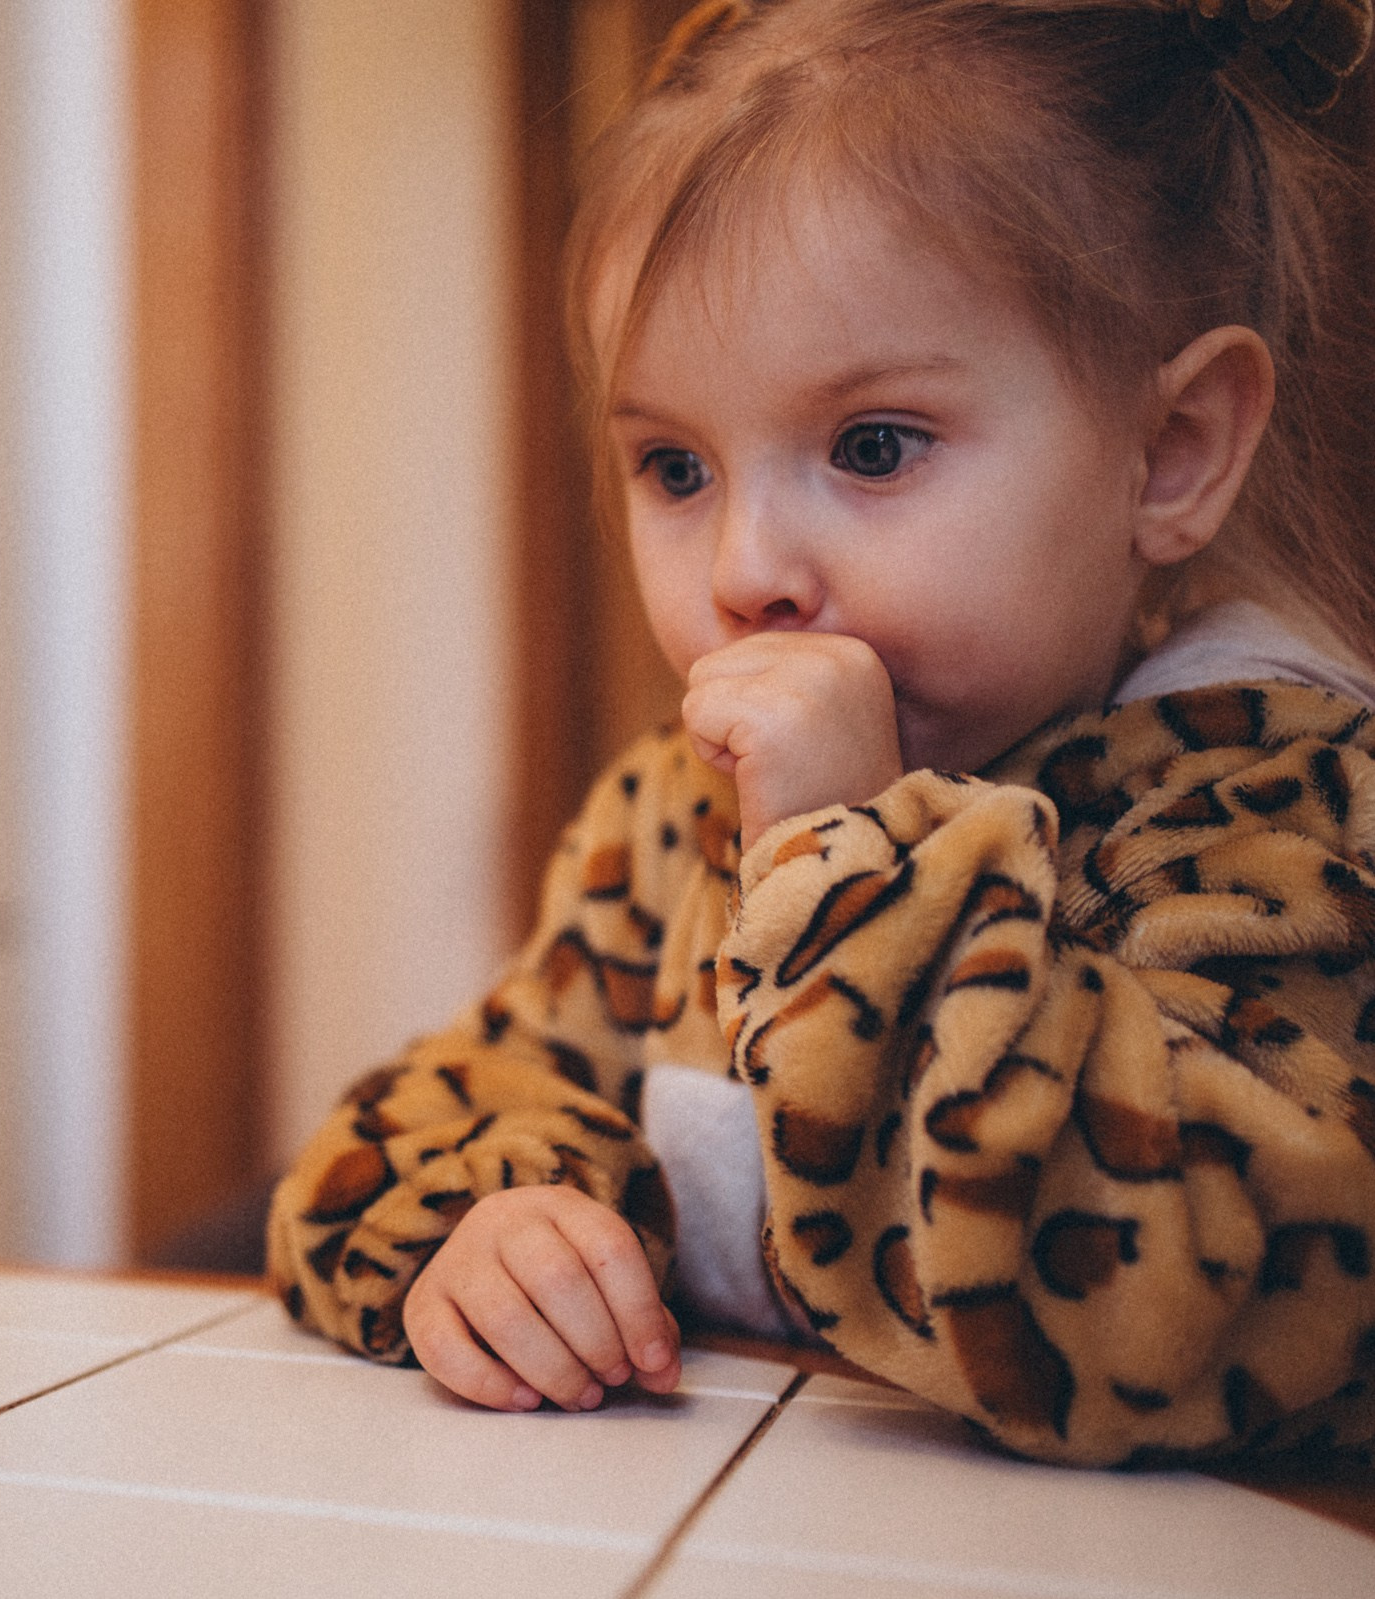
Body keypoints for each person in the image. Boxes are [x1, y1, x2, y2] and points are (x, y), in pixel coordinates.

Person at [265, 0, 1375, 1466]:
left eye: (870, 448)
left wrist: (850, 869)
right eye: (674, 466)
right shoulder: (671, 816)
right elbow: (443, 1107)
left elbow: (1164, 1315)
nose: (740, 570)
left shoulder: (1281, 808)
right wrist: (495, 1220)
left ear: (1168, 452)